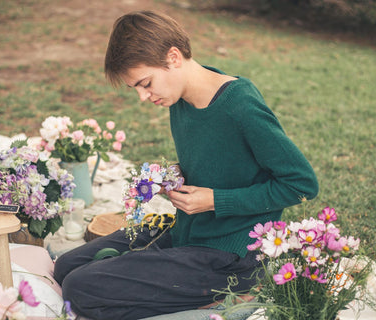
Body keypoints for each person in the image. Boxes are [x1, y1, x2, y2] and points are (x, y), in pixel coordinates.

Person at [53, 10, 319, 320]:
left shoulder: (240, 107)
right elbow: (217, 159)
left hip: (230, 255)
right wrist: (174, 176)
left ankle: (223, 297)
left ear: (174, 57)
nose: (142, 96)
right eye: (136, 88)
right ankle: (166, 281)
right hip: (185, 232)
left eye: (146, 83)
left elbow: (301, 184)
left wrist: (215, 201)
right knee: (66, 267)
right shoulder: (179, 99)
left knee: (79, 288)